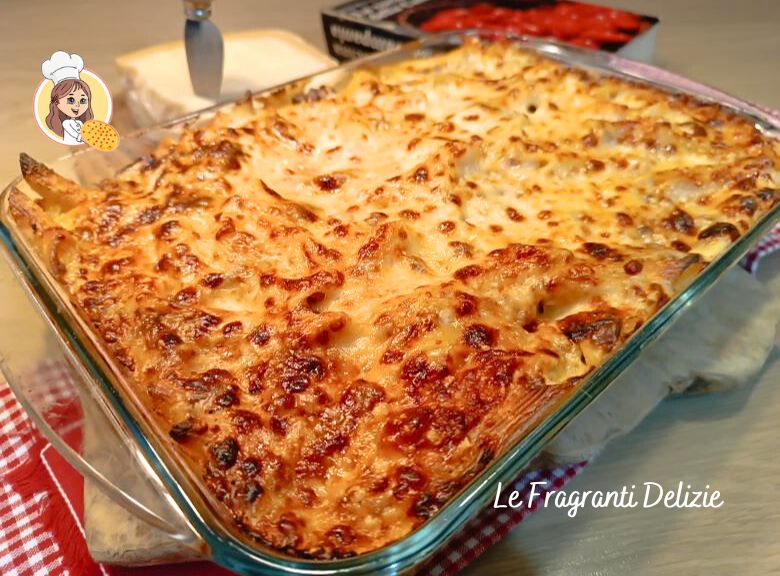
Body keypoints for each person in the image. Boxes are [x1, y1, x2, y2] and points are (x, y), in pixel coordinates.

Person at [42, 52, 94, 144]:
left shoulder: (81, 123)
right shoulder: (66, 123)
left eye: (83, 100)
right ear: (56, 102)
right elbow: (78, 136)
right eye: (71, 100)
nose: (77, 105)